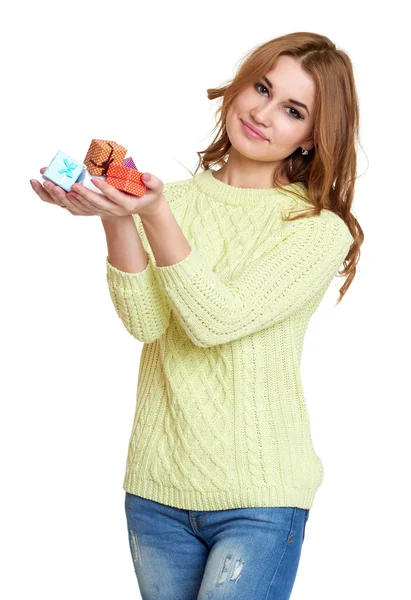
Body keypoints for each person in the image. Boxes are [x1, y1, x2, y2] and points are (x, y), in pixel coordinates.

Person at [30, 30, 363, 600]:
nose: (262, 112)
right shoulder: (169, 200)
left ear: (312, 137)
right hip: (157, 488)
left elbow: (214, 322)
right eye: (261, 87)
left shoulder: (316, 231)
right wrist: (115, 216)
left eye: (292, 109)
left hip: (259, 497)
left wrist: (152, 214)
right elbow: (146, 324)